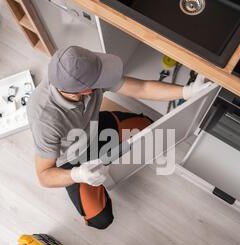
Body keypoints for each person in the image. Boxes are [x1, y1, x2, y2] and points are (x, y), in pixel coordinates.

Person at [27, 46, 212, 230]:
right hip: (73, 160)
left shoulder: (83, 71)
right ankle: (91, 181)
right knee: (100, 219)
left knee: (148, 129)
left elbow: (142, 88)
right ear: (85, 91)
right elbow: (44, 176)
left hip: (96, 129)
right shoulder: (45, 119)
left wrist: (187, 92)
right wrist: (78, 175)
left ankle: (110, 154)